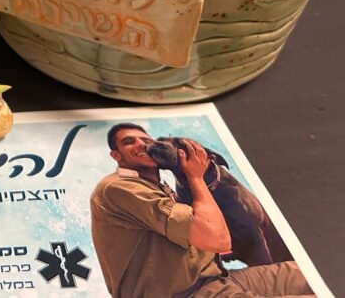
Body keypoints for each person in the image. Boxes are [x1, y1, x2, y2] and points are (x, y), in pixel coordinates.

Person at [90, 122, 314, 298]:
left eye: (146, 140)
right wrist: (195, 176)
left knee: (314, 276)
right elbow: (217, 239)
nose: (142, 144)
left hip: (216, 280)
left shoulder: (157, 187)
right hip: (189, 294)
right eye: (129, 142)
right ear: (116, 155)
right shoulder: (120, 188)